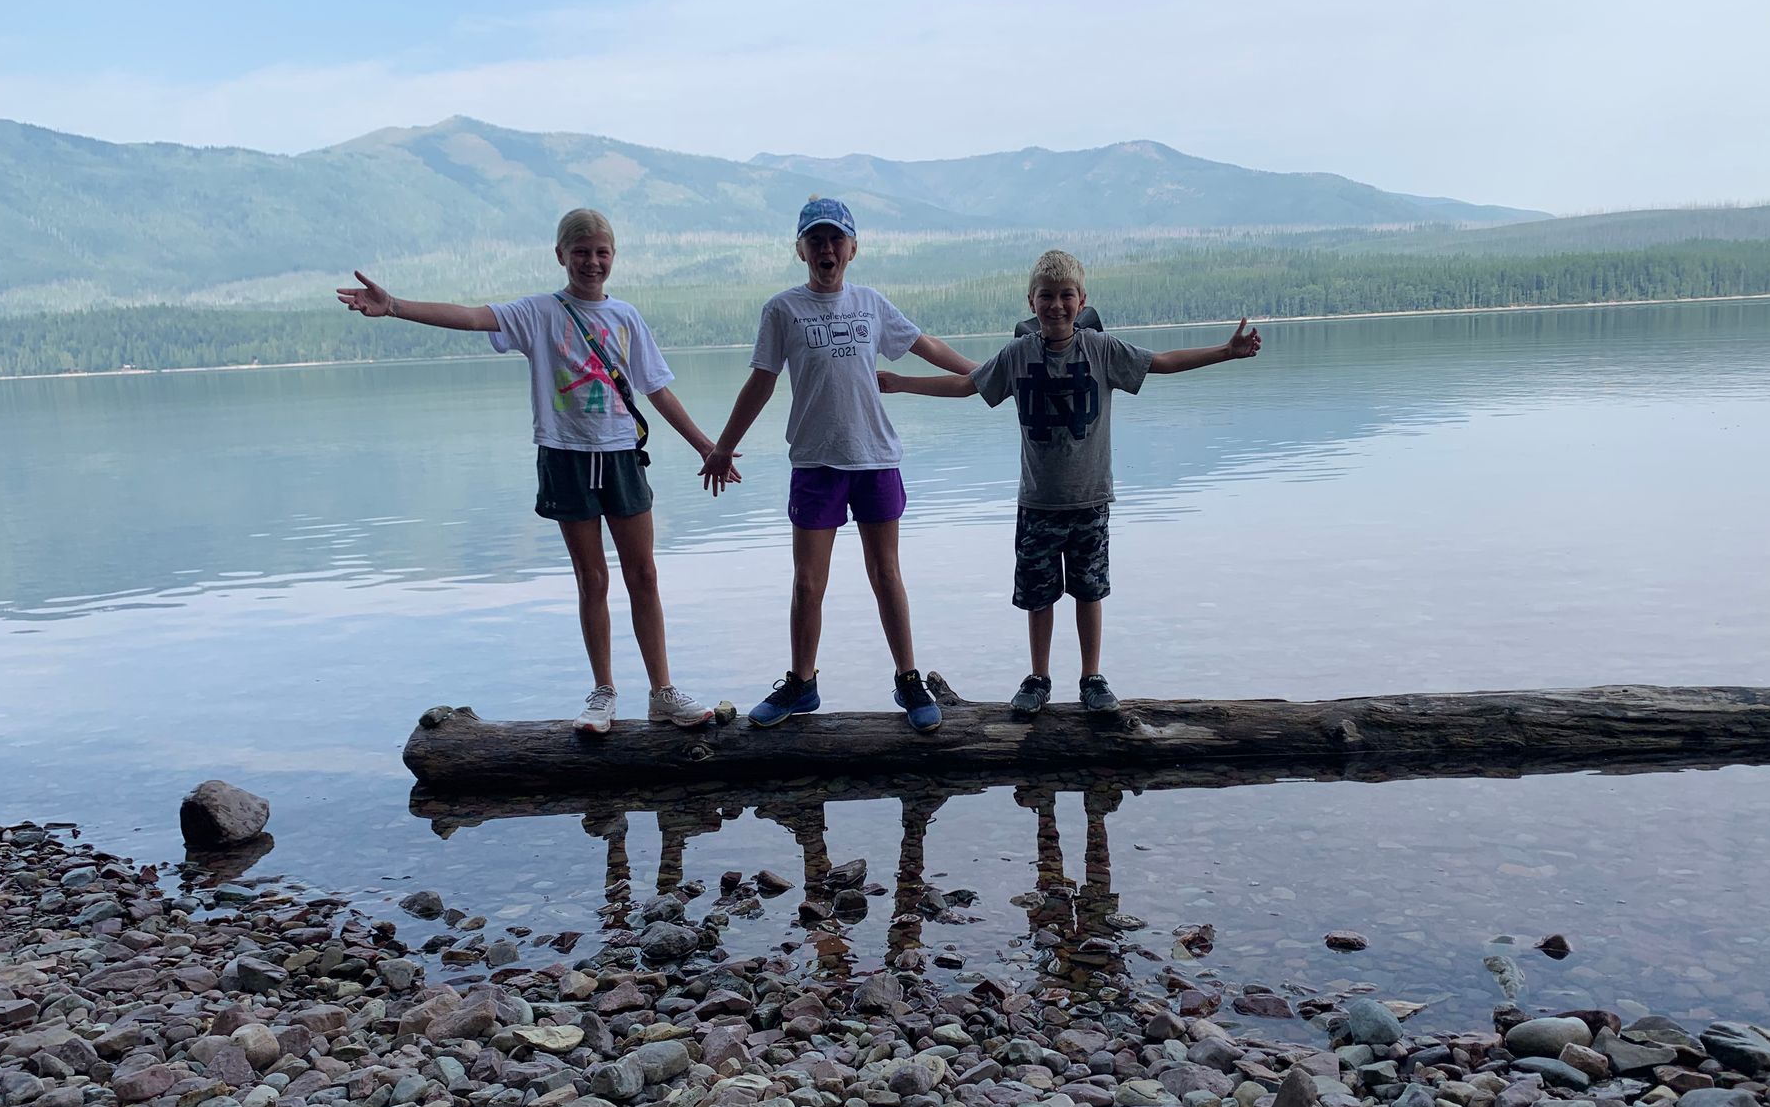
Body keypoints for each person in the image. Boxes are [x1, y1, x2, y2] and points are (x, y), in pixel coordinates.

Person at [336, 207, 732, 734]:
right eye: (581, 252)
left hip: (621, 455)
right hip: (564, 455)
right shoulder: (539, 312)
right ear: (561, 255)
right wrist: (395, 307)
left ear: (613, 256)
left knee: (644, 575)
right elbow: (471, 317)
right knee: (592, 578)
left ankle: (663, 692)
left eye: (601, 253)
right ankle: (603, 693)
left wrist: (707, 447)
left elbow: (657, 389)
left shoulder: (626, 317)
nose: (592, 262)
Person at [879, 249, 1262, 716]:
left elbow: (1161, 361)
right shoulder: (1017, 355)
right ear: (1031, 301)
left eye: (1066, 296)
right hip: (1038, 503)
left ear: (1082, 301)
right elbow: (967, 385)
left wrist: (1225, 352)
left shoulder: (1101, 350)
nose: (1056, 305)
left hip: (1090, 500)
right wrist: (901, 382)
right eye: (1046, 296)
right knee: (1039, 597)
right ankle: (1038, 678)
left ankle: (1091, 677)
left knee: (1089, 591)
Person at [699, 197, 978, 733]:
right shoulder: (782, 310)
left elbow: (925, 345)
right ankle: (801, 684)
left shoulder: (871, 303)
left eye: (836, 239)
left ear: (853, 248)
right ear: (800, 249)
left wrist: (985, 373)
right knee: (808, 582)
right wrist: (724, 446)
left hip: (875, 458)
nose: (826, 249)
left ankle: (908, 679)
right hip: (815, 461)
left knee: (886, 574)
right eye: (816, 240)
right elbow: (761, 381)